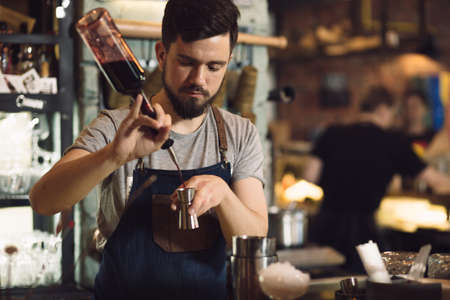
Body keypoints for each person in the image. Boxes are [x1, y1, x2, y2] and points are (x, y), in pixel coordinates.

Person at [29, 0, 268, 299]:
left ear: (229, 60)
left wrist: (222, 193)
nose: (199, 79)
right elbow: (43, 200)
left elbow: (254, 241)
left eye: (214, 66)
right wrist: (114, 156)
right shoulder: (116, 127)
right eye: (187, 62)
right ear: (162, 54)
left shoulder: (239, 134)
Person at [302, 86, 450, 272]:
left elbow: (309, 175)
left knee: (325, 287)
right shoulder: (393, 141)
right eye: (393, 113)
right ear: (383, 109)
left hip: (324, 228)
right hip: (364, 236)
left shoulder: (331, 133)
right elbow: (436, 181)